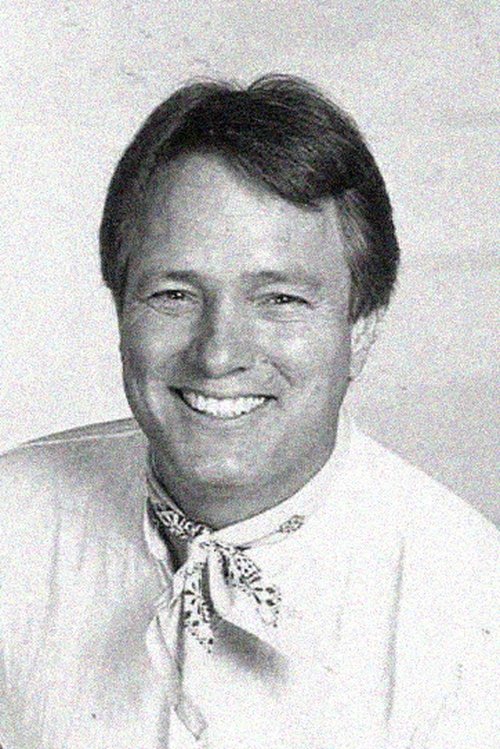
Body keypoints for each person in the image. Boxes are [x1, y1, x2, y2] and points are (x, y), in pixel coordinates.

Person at [0, 75, 497, 749]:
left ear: (361, 329)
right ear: (120, 310)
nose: (218, 354)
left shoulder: (472, 605)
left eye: (280, 300)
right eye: (174, 294)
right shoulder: (11, 522)